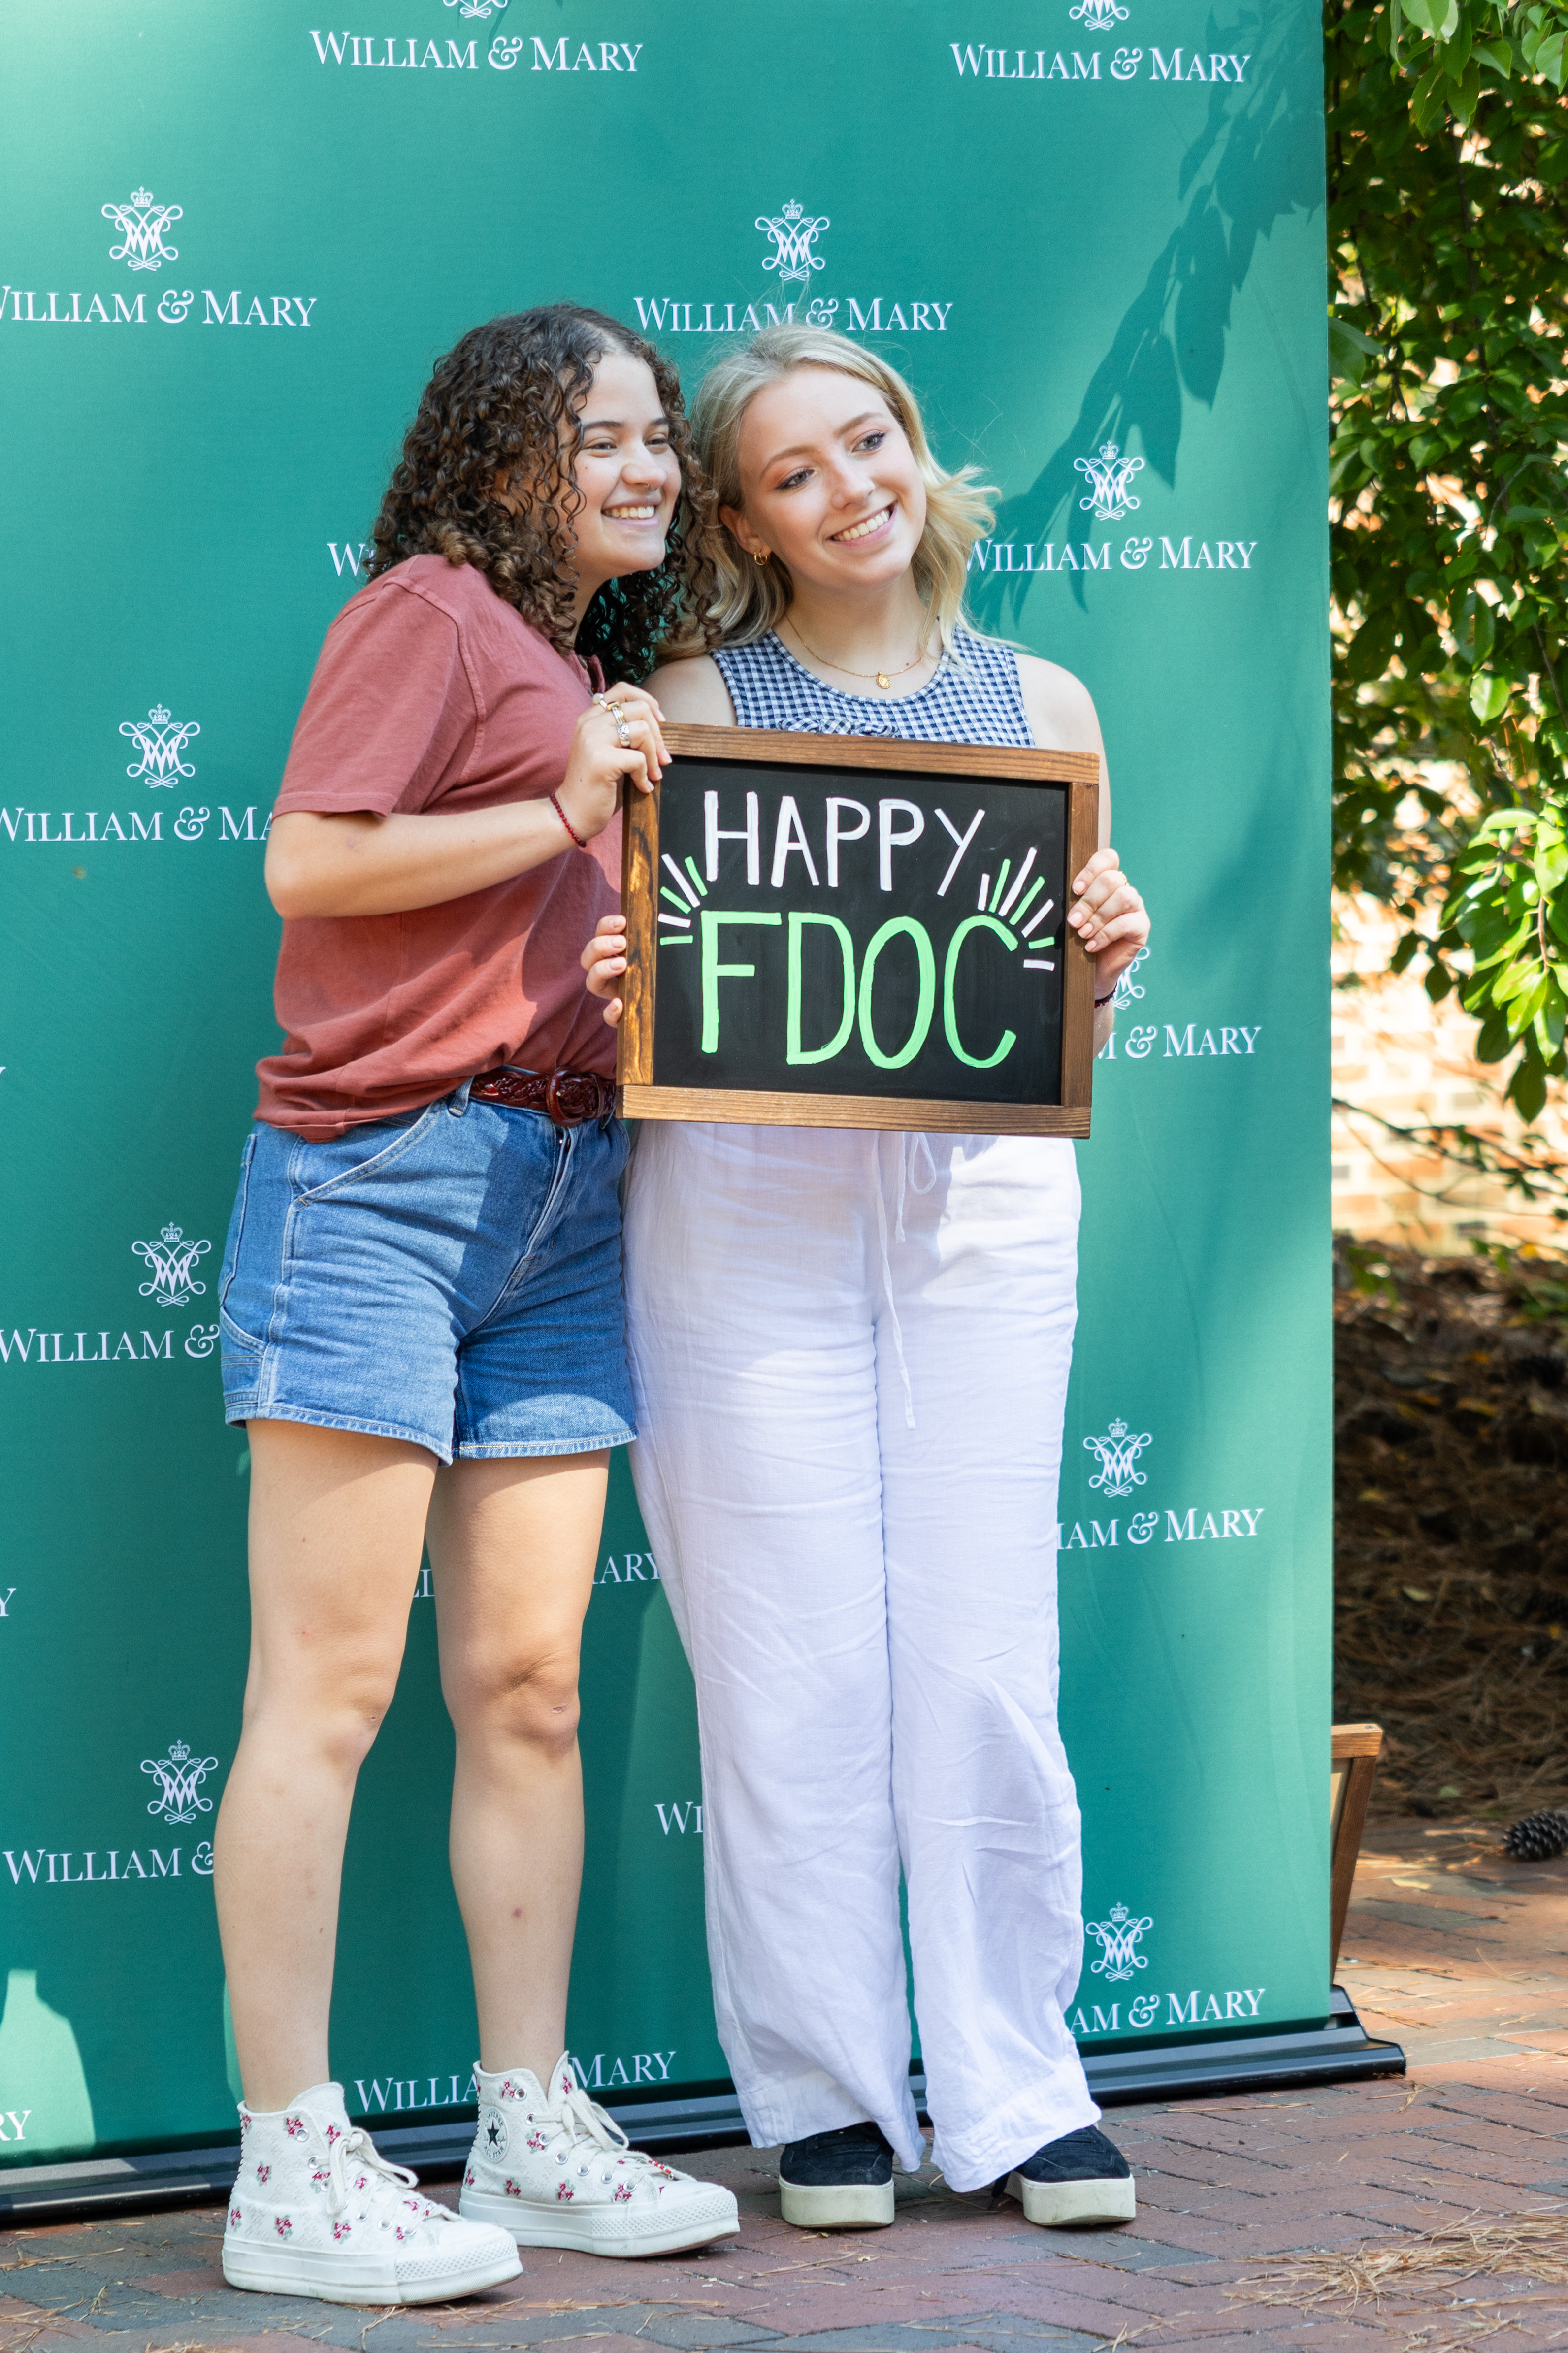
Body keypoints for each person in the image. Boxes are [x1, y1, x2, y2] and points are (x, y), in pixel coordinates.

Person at [580, 324, 1153, 2231]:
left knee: (984, 1654)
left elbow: (1061, 971)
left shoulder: (1043, 699)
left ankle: (1014, 2085)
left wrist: (1102, 948)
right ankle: (823, 2093)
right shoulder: (689, 697)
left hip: (980, 1195)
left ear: (917, 448)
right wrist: (619, 981)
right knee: (789, 1654)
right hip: (744, 1198)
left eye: (871, 440)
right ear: (739, 521)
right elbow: (644, 967)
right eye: (796, 471)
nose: (852, 488)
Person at [207, 305, 740, 2305]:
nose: (647, 469)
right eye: (606, 433)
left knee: (526, 1687)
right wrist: (562, 811)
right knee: (327, 1695)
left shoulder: (576, 666)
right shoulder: (431, 613)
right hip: (382, 1186)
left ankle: (525, 2117)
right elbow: (307, 867)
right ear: (505, 446)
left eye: (663, 442)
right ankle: (290, 2161)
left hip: (566, 1193)